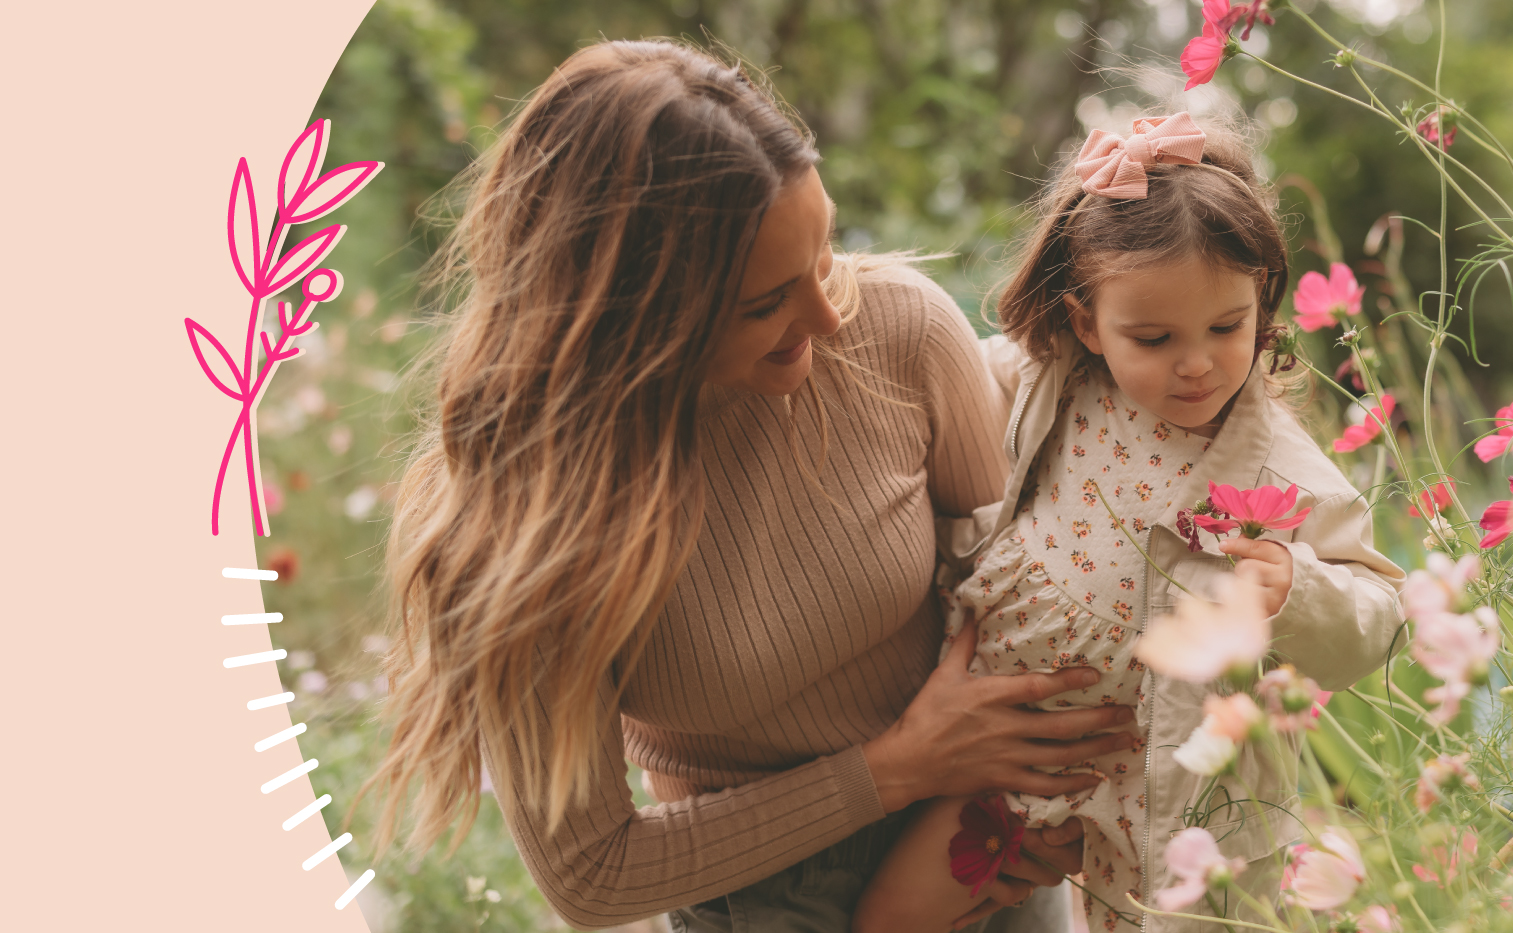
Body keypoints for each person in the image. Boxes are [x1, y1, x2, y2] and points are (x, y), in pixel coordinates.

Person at [364, 40, 1131, 931]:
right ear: (635, 316)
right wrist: (894, 768)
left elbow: (1029, 597)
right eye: (764, 302)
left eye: (823, 248)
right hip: (764, 897)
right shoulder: (528, 524)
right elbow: (590, 876)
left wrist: (1056, 802)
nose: (824, 312)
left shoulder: (903, 334)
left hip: (979, 843)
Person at [851, 112, 1406, 933]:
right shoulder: (1051, 381)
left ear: (1261, 301)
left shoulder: (1276, 465)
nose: (1197, 361)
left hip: (1171, 787)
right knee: (890, 918)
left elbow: (1380, 619)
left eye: (1227, 326)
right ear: (1086, 324)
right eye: (1153, 336)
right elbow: (939, 379)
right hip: (1011, 742)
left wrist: (1299, 589)